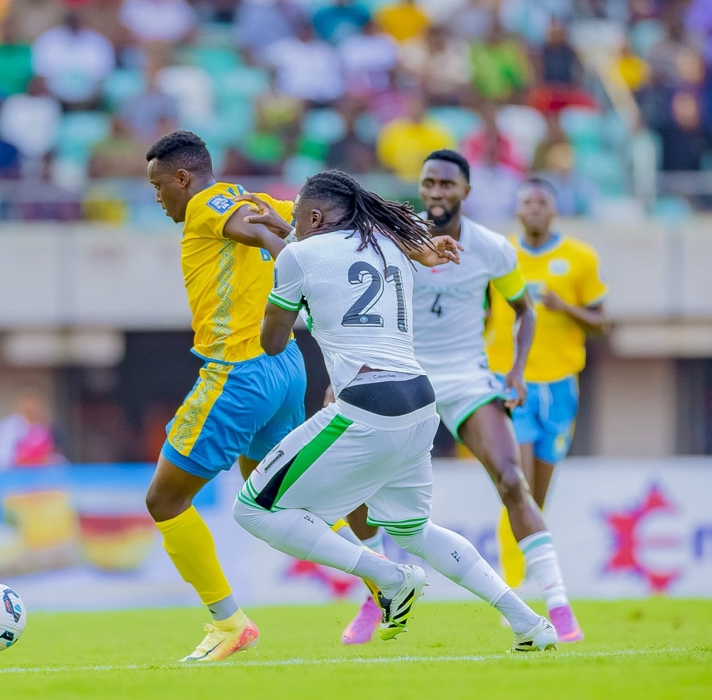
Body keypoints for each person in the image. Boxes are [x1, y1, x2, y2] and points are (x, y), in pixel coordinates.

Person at [231, 170, 557, 652]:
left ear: (316, 216)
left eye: (298, 214)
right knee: (413, 527)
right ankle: (530, 623)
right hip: (419, 402)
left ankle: (389, 576)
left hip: (366, 403)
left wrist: (279, 263)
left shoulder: (300, 254)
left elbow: (273, 342)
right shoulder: (389, 247)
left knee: (253, 509)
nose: (294, 223)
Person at [340, 150, 583, 646]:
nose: (435, 192)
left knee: (513, 479)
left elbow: (525, 310)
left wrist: (515, 371)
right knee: (356, 486)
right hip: (403, 374)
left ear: (466, 191)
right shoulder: (392, 240)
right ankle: (376, 593)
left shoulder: (492, 248)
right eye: (428, 183)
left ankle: (558, 606)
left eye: (447, 184)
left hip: (467, 378)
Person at [142, 131, 307, 662]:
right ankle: (383, 575)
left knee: (164, 500)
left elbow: (254, 233)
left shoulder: (207, 204)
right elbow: (303, 217)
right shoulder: (255, 197)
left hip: (238, 374)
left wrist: (294, 266)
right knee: (276, 500)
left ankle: (227, 622)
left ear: (183, 177)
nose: (157, 195)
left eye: (158, 184)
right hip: (284, 365)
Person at [485, 178, 608, 597]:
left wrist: (565, 307)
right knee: (512, 482)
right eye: (526, 202)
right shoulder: (501, 254)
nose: (534, 208)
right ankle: (511, 586)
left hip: (560, 388)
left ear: (553, 209)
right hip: (511, 383)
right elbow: (480, 314)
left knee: (537, 495)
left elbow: (602, 323)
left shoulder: (578, 258)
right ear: (517, 211)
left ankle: (537, 575)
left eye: (541, 201)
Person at [0, 391, 62, 469]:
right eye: (27, 406)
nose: (31, 410)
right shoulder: (6, 428)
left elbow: (53, 455)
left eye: (34, 406)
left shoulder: (45, 427)